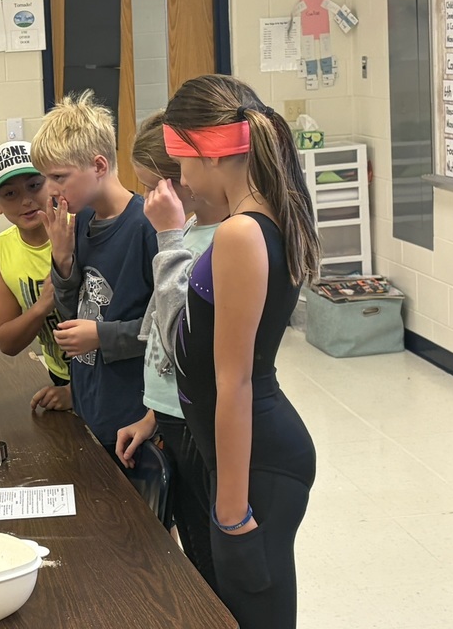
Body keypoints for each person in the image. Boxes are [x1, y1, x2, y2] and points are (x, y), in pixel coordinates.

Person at [151, 74, 318, 629]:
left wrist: (230, 505)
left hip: (260, 461)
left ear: (212, 152)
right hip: (244, 452)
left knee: (259, 616)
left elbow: (235, 380)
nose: (182, 180)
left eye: (182, 163)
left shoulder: (242, 233)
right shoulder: (258, 218)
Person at [115, 111, 228, 591]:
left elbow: (178, 330)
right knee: (192, 547)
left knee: (208, 556)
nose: (144, 200)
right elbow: (159, 348)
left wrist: (167, 236)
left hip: (200, 424)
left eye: (149, 187)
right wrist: (151, 415)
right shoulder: (188, 235)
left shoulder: (216, 241)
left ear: (180, 182)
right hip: (171, 417)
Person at [30, 90, 157, 467]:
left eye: (59, 177)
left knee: (145, 520)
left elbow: (168, 330)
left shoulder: (147, 226)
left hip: (133, 410)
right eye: (45, 178)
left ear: (99, 165)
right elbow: (72, 315)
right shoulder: (81, 222)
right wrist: (63, 259)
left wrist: (101, 336)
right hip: (92, 404)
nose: (50, 190)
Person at [0, 140, 71, 411]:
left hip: (103, 382)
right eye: (10, 194)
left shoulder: (78, 229)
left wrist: (77, 392)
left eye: (34, 186)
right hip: (58, 375)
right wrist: (41, 307)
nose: (26, 200)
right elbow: (7, 341)